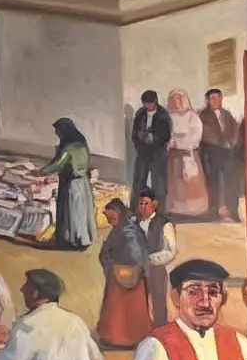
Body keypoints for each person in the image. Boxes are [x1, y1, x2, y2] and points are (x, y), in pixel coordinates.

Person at [96, 199, 153, 348]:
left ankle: (127, 338)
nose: (109, 221)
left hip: (128, 274)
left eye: (112, 218)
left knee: (126, 309)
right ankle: (115, 337)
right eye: (108, 218)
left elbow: (135, 254)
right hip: (117, 274)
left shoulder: (129, 231)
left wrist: (114, 260)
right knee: (117, 311)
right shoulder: (120, 228)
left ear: (120, 214)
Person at [41, 117, 97, 250]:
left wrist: (41, 171)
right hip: (83, 182)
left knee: (72, 211)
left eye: (58, 131)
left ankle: (73, 240)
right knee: (82, 211)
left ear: (64, 130)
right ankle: (84, 239)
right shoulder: (82, 143)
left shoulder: (68, 147)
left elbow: (58, 163)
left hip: (71, 183)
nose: (56, 134)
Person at [198, 88, 241, 222]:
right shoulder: (203, 116)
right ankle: (213, 211)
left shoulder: (227, 114)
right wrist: (221, 142)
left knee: (231, 182)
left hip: (227, 153)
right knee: (213, 183)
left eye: (218, 98)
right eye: (213, 98)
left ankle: (233, 211)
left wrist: (231, 142)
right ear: (208, 100)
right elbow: (205, 133)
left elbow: (235, 130)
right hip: (211, 153)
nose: (216, 101)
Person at [135, 190, 176, 326]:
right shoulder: (134, 222)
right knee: (139, 300)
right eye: (141, 204)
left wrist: (149, 259)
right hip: (138, 269)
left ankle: (160, 328)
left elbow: (169, 251)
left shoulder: (164, 224)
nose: (143, 207)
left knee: (158, 301)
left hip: (156, 269)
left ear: (154, 204)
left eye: (146, 203)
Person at [129, 89, 172, 205]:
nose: (148, 106)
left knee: (159, 183)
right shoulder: (140, 114)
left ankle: (160, 208)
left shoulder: (163, 115)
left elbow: (166, 135)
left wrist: (154, 138)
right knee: (139, 180)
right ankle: (136, 207)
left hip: (158, 152)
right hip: (143, 152)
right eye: (146, 103)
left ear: (155, 101)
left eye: (150, 103)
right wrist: (140, 142)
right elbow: (134, 134)